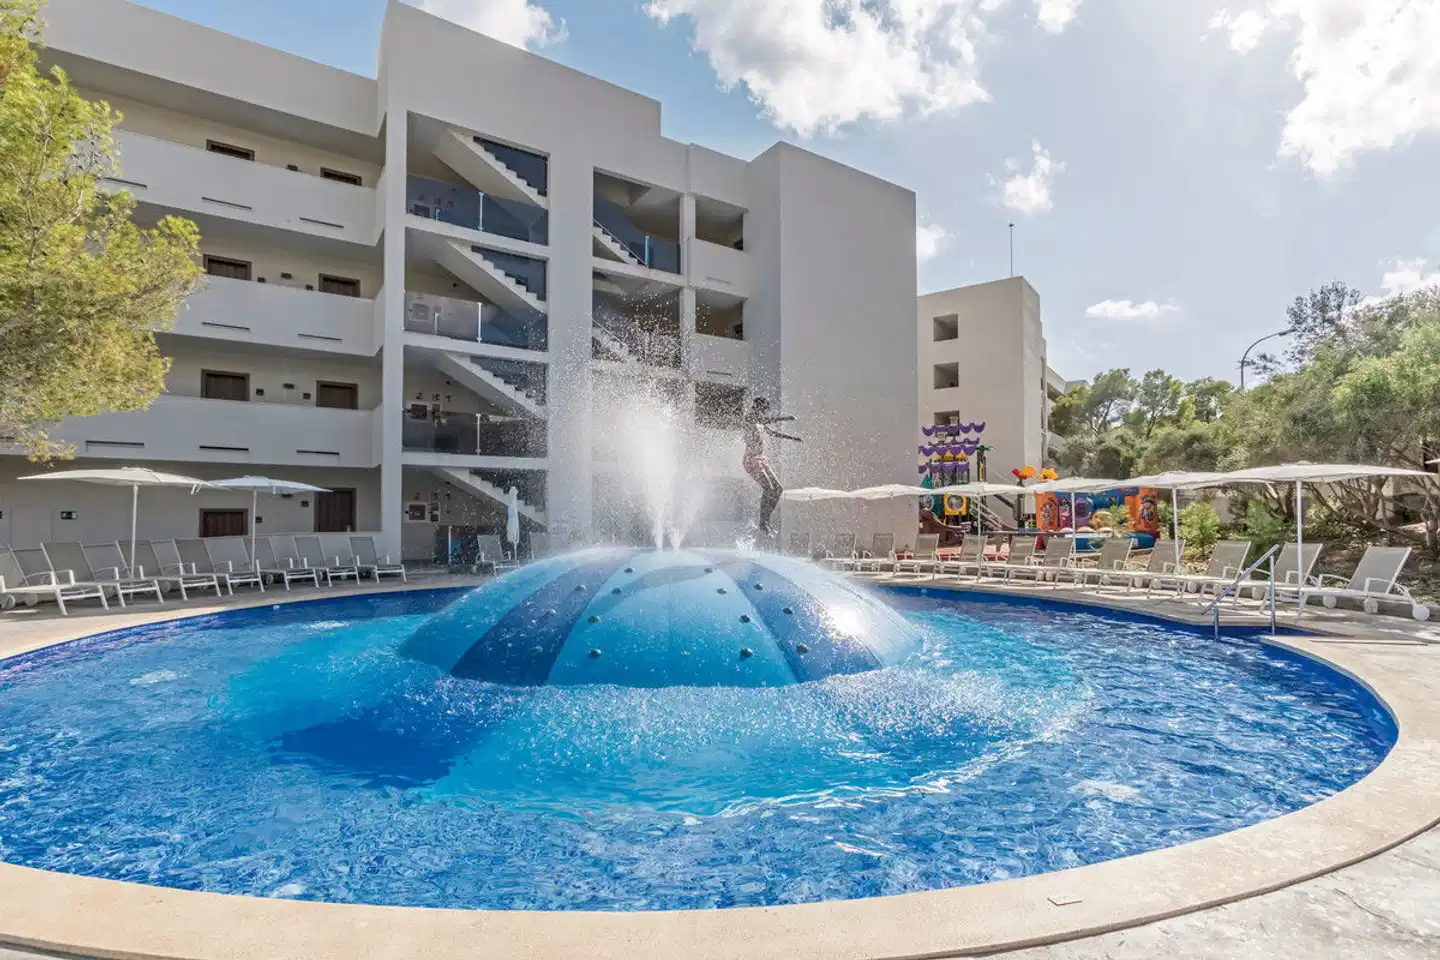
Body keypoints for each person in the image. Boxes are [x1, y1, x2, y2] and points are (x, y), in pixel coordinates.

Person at [742, 397, 801, 535]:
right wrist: (785, 418)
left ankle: (766, 521)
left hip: (761, 459)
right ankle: (762, 523)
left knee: (778, 489)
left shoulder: (760, 422)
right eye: (762, 410)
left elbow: (772, 433)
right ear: (756, 408)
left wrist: (793, 438)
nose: (764, 413)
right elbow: (766, 420)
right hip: (751, 460)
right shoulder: (749, 418)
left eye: (765, 411)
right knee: (768, 488)